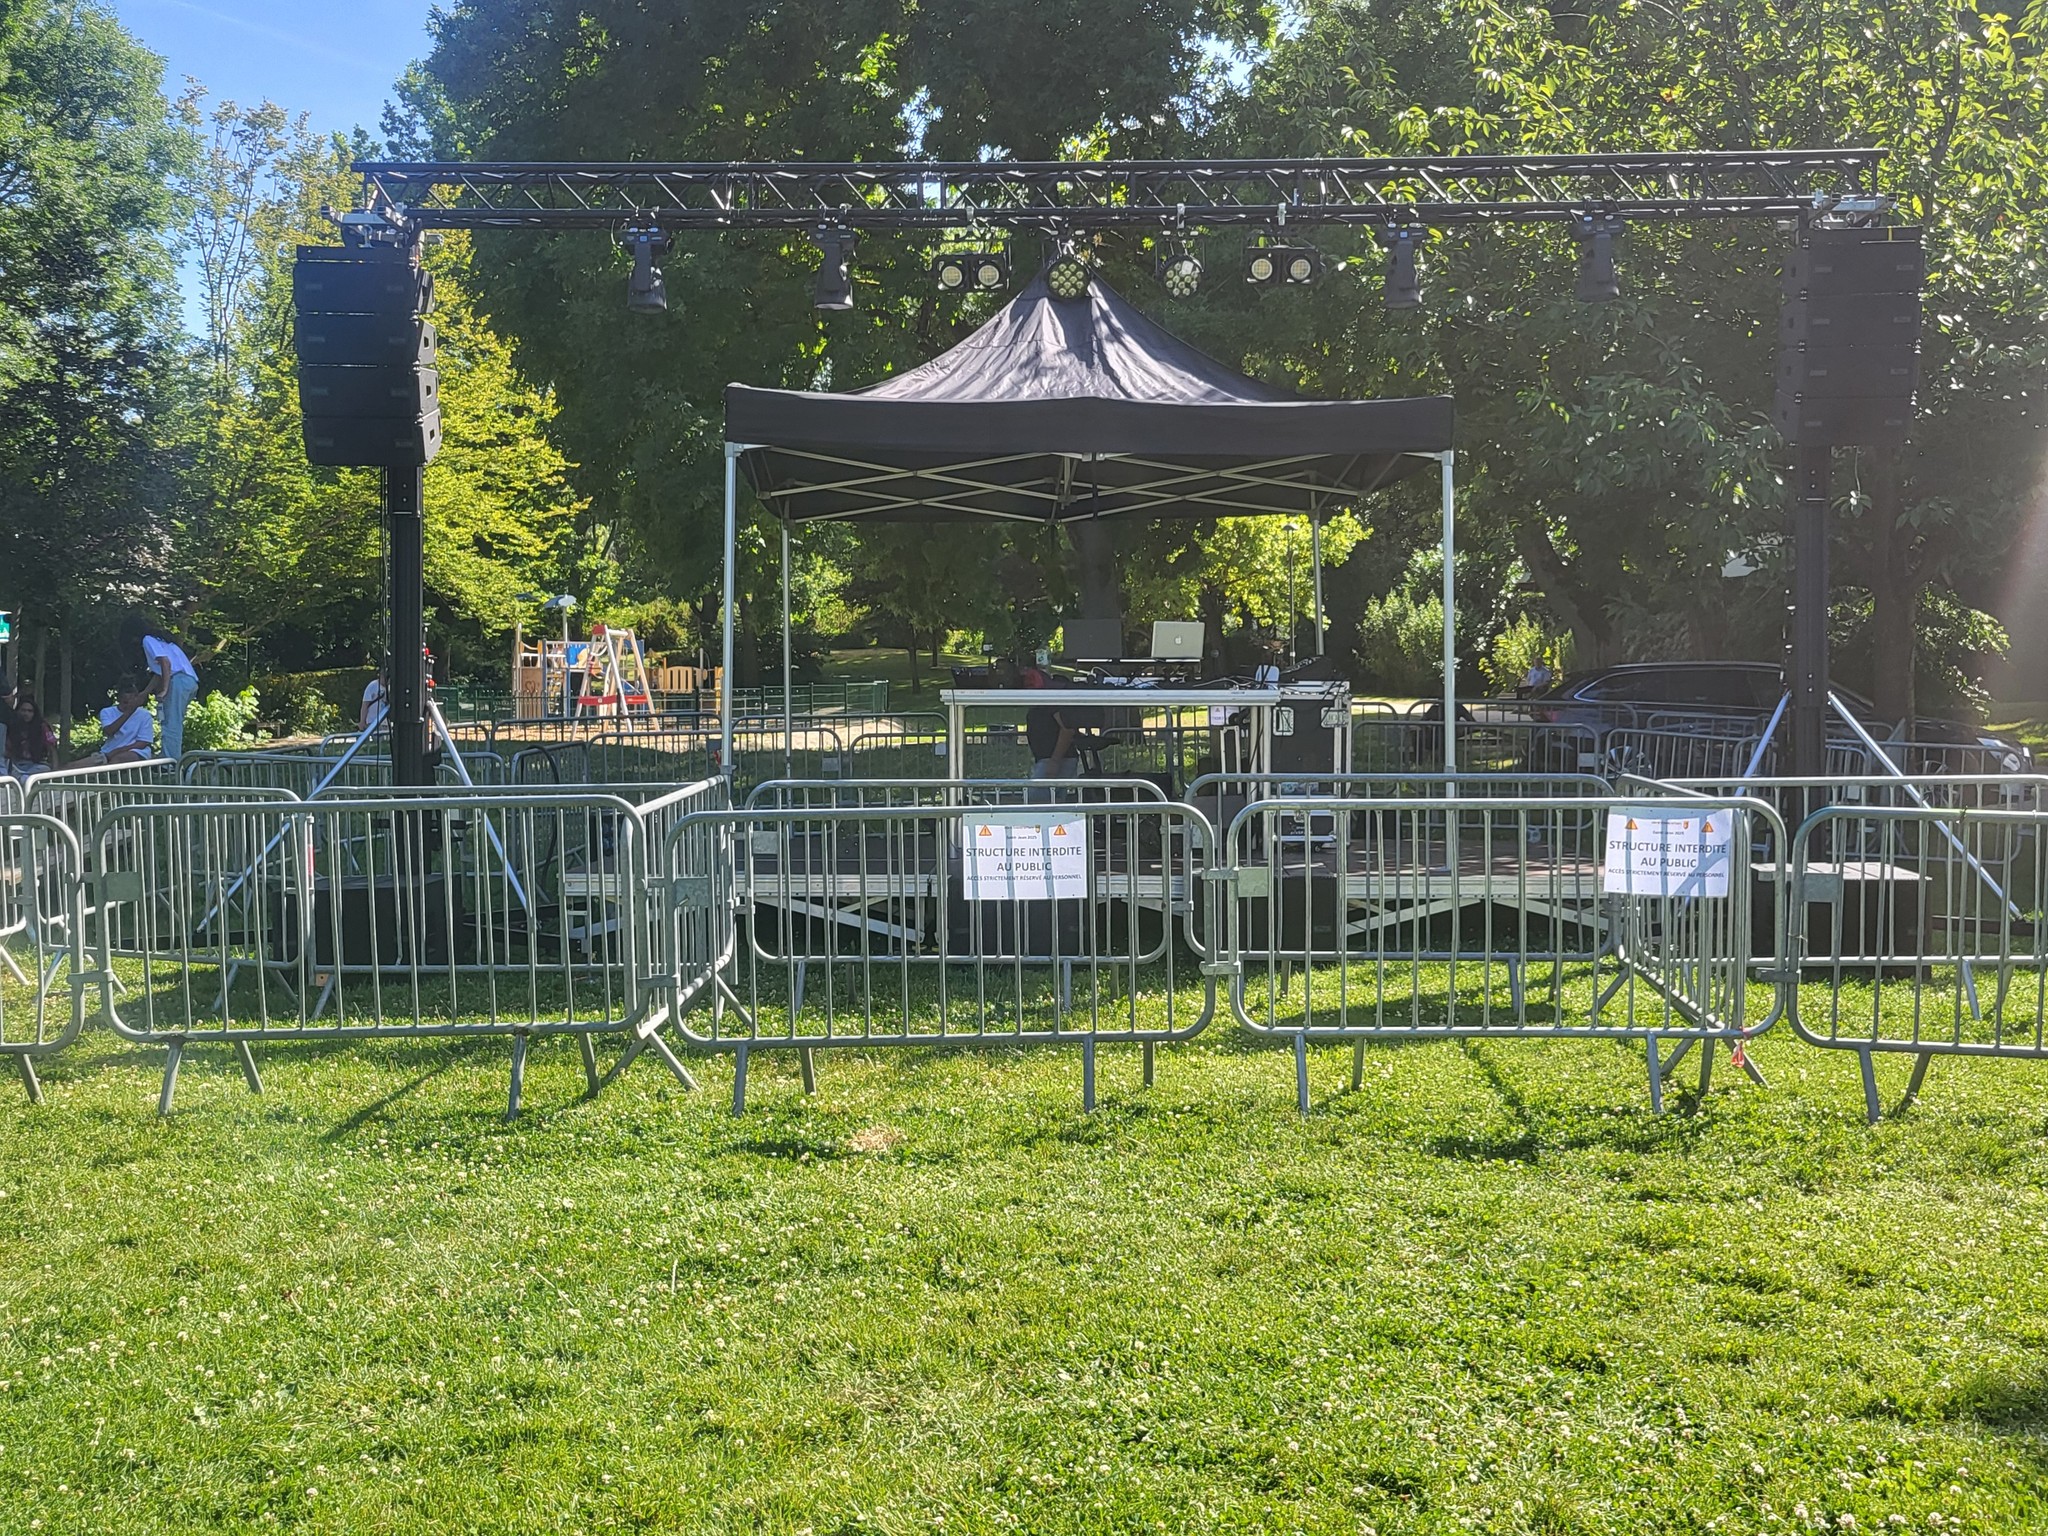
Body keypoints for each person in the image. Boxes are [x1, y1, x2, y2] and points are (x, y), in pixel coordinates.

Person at [125, 619, 198, 758]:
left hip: (178, 681)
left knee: (171, 723)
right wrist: (145, 693)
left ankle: (170, 762)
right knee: (174, 721)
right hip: (190, 681)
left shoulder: (147, 640)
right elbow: (160, 672)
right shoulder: (165, 643)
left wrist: (164, 689)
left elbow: (166, 663)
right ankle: (170, 756)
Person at [80, 676, 156, 766]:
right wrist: (128, 712)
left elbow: (143, 742)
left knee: (118, 759)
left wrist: (118, 751)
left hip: (136, 752)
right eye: (125, 702)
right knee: (77, 765)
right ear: (118, 698)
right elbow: (109, 731)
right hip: (108, 752)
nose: (128, 703)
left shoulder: (145, 715)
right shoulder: (106, 712)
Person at [5, 692, 57, 778]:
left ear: (34, 713)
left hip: (35, 765)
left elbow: (52, 748)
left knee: (45, 769)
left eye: (30, 711)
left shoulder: (42, 727)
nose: (26, 714)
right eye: (23, 710)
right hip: (16, 764)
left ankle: (23, 777)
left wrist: (55, 771)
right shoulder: (10, 726)